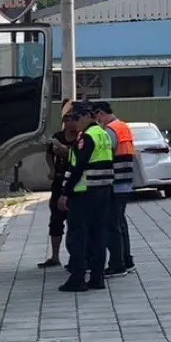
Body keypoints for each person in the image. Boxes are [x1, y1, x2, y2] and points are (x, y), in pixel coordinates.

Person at [56, 102, 113, 293]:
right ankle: (97, 278)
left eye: (77, 118)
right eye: (73, 118)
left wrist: (65, 193)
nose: (75, 122)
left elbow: (78, 167)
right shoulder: (103, 134)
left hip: (85, 192)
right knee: (98, 235)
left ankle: (77, 278)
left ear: (88, 116)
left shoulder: (87, 137)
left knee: (77, 236)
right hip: (103, 192)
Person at [95, 101, 136, 276]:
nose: (97, 120)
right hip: (125, 181)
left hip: (115, 183)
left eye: (97, 116)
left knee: (112, 225)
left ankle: (116, 264)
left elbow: (107, 154)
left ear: (101, 113)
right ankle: (127, 260)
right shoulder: (123, 126)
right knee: (121, 223)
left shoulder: (110, 130)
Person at [39, 102, 78, 268]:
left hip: (76, 182)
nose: (69, 123)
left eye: (72, 119)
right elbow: (48, 155)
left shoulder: (82, 138)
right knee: (56, 219)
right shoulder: (58, 137)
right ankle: (55, 256)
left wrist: (65, 151)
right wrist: (52, 169)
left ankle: (76, 257)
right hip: (59, 181)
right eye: (66, 119)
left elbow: (79, 156)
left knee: (76, 222)